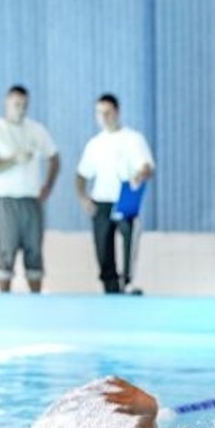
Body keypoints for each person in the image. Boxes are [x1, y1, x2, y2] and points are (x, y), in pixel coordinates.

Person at [0, 85, 60, 293]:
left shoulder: (36, 130)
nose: (20, 109)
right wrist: (12, 160)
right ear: (7, 103)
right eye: (16, 104)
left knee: (34, 253)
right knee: (6, 253)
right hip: (6, 201)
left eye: (24, 105)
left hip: (31, 200)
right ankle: (4, 300)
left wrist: (48, 186)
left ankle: (36, 300)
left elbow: (54, 157)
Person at [75, 94, 155, 294]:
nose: (104, 117)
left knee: (128, 241)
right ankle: (110, 289)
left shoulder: (133, 139)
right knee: (103, 251)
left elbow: (147, 166)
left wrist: (140, 175)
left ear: (117, 112)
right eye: (99, 113)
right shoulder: (95, 144)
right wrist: (83, 197)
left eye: (107, 112)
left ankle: (127, 282)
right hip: (101, 201)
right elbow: (81, 174)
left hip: (124, 199)